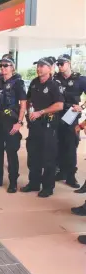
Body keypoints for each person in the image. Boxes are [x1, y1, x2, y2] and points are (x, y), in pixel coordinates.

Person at [21, 57, 64, 198]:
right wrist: (28, 112)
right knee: (33, 156)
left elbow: (59, 105)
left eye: (42, 66)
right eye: (38, 65)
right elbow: (27, 100)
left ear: (50, 68)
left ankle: (48, 187)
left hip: (48, 125)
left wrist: (41, 112)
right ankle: (33, 183)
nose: (39, 68)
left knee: (48, 158)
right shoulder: (34, 82)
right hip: (35, 126)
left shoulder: (54, 84)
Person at [0, 55, 27, 193]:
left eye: (6, 65)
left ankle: (13, 181)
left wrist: (19, 122)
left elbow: (23, 104)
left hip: (11, 121)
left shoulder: (18, 82)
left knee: (11, 152)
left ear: (12, 67)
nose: (2, 68)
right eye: (1, 66)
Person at [53, 54, 86, 189]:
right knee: (57, 145)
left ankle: (71, 176)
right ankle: (61, 172)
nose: (60, 66)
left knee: (71, 146)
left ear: (69, 63)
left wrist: (82, 107)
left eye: (62, 63)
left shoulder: (80, 79)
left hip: (71, 115)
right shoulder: (55, 79)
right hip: (56, 114)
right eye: (58, 64)